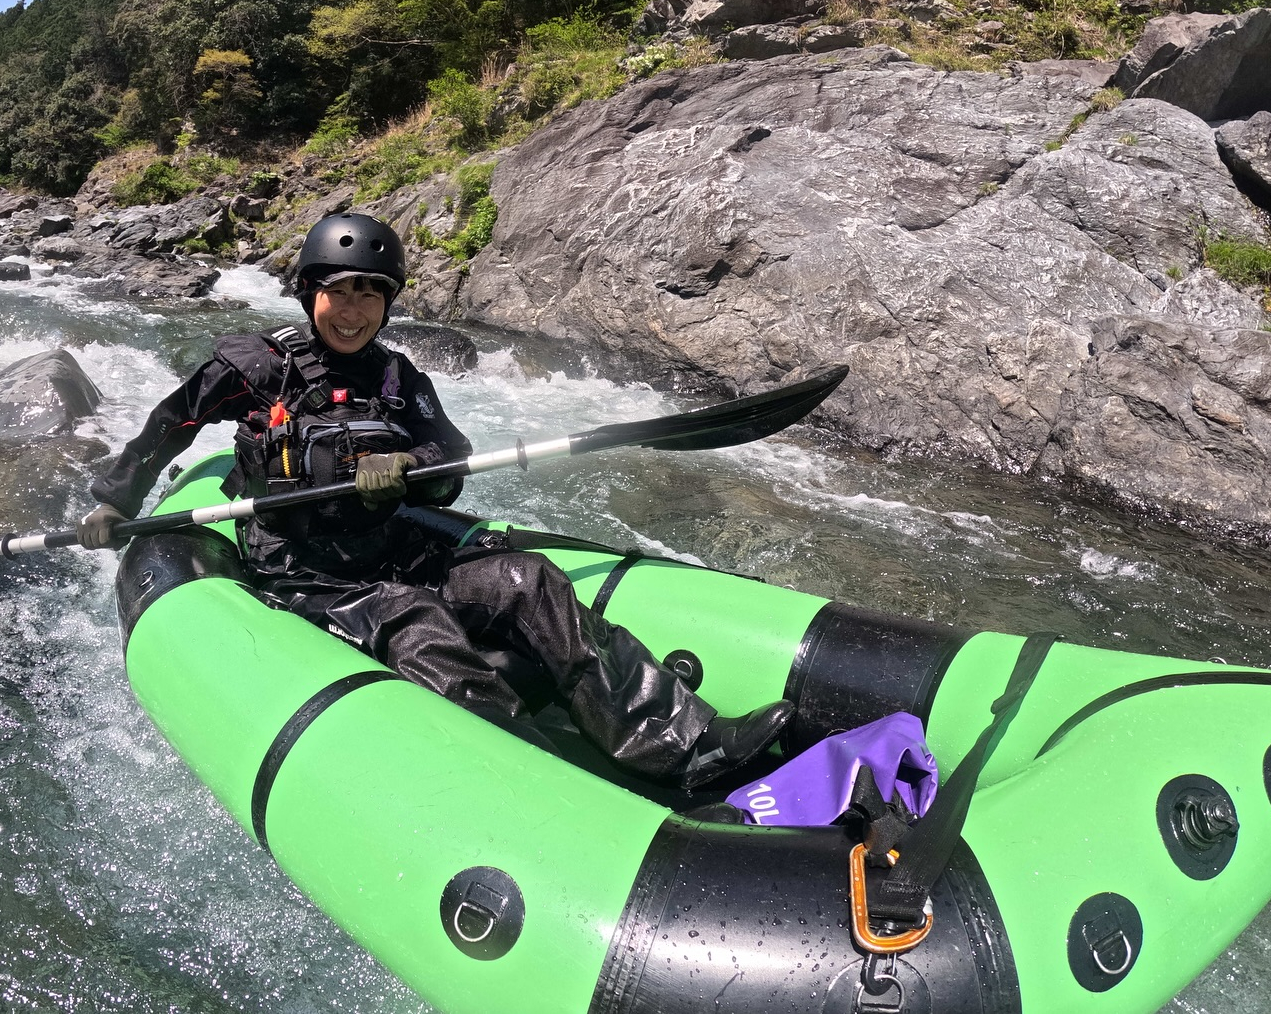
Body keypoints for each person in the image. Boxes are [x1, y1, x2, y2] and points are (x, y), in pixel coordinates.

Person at [79, 212, 792, 789]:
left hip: (397, 549)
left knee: (528, 579)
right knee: (417, 622)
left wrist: (409, 463)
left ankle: (685, 742)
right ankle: (547, 783)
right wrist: (116, 498)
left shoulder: (398, 377)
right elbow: (169, 424)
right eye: (340, 290)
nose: (353, 310)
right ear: (309, 290)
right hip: (312, 577)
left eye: (370, 293)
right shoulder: (259, 367)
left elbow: (450, 457)